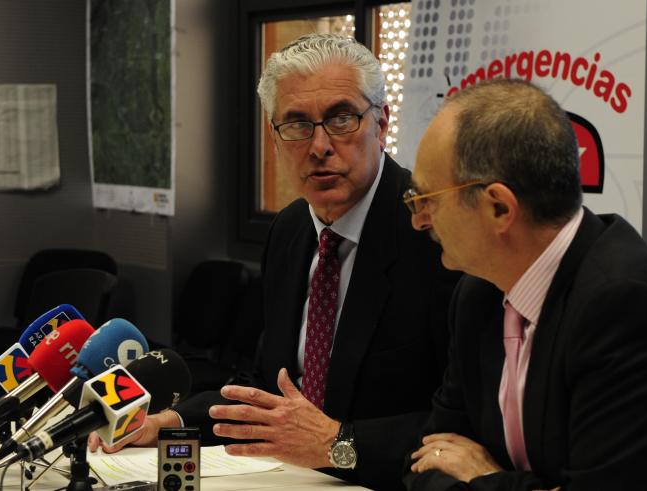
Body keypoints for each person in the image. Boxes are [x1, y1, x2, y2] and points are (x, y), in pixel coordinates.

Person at [89, 33, 458, 490]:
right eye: (297, 124)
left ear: (381, 125)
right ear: (275, 138)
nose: (319, 145)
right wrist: (172, 420)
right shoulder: (289, 231)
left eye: (341, 119)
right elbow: (271, 385)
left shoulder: (437, 236)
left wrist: (337, 443)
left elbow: (464, 428)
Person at [402, 79, 647, 490]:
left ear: (499, 207)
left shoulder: (626, 306)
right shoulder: (478, 296)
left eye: (427, 199)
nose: (419, 219)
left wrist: (485, 477)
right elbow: (426, 464)